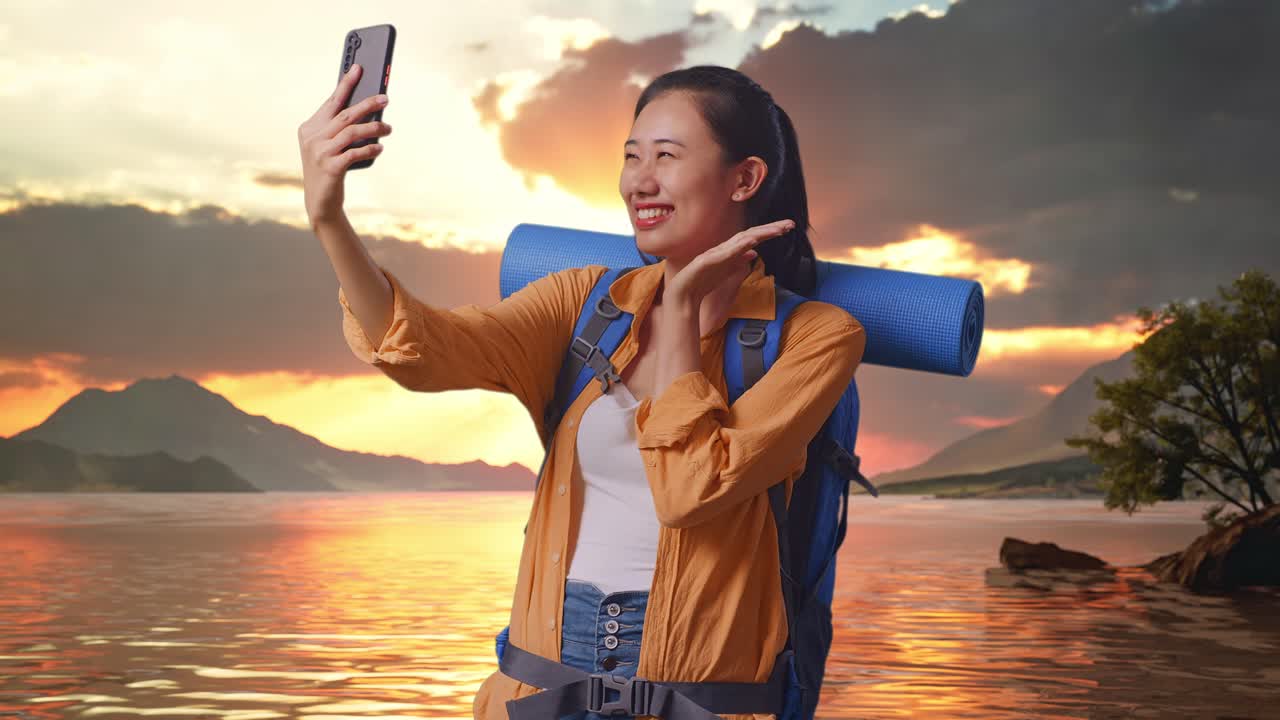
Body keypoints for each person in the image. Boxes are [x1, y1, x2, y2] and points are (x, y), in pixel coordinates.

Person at [298, 63, 865, 720]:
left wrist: (682, 310)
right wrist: (329, 220)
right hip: (538, 692)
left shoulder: (816, 337)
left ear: (745, 179)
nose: (639, 181)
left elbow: (689, 490)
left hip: (702, 703)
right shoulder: (584, 304)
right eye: (631, 156)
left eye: (666, 156)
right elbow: (422, 350)